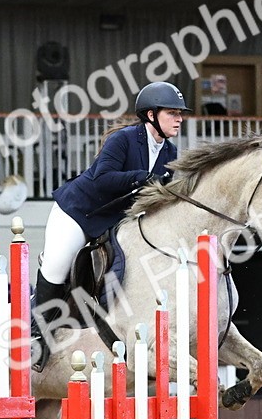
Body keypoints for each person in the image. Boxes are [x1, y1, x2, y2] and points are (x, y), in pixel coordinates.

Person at [31, 81, 191, 371]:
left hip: (117, 221)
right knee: (57, 264)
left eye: (180, 113)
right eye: (172, 113)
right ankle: (36, 335)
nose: (179, 118)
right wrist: (143, 177)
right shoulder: (126, 140)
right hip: (80, 213)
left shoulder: (169, 152)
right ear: (152, 115)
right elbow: (102, 178)